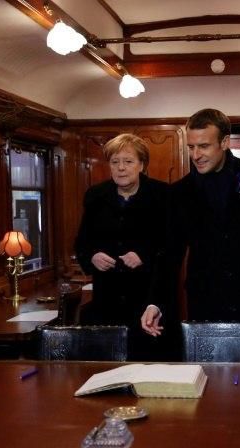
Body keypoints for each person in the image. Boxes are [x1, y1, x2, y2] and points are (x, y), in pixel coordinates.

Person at [141, 108, 240, 337]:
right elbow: (170, 254)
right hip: (205, 303)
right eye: (191, 147)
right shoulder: (180, 192)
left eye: (204, 146)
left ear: (224, 142)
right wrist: (155, 302)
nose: (196, 155)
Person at [75, 133, 168, 360]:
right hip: (106, 299)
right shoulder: (95, 196)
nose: (121, 168)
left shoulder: (162, 195)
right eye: (115, 162)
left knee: (146, 364)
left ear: (142, 165)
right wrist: (93, 256)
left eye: (128, 161)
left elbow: (170, 245)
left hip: (146, 298)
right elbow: (82, 242)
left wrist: (144, 255)